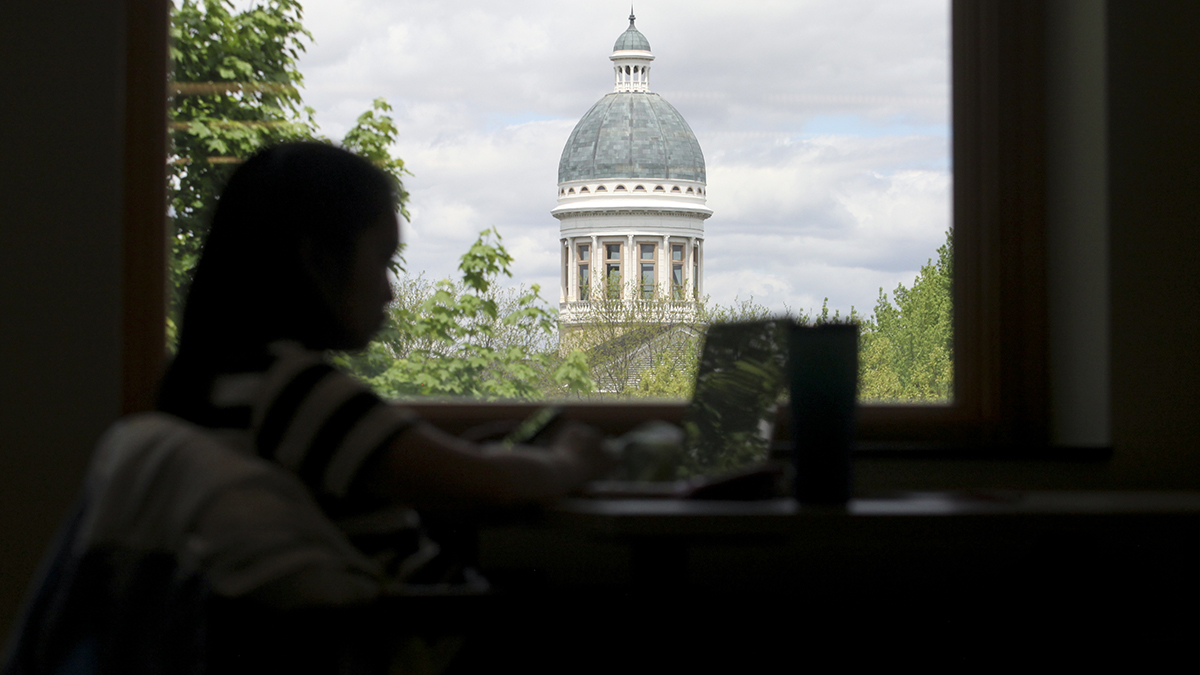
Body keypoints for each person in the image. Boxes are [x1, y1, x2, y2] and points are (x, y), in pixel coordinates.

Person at [157, 142, 614, 519]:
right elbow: (492, 487)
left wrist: (444, 455)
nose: (390, 293)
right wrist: (569, 460)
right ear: (318, 260)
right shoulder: (297, 392)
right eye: (382, 261)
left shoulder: (224, 387)